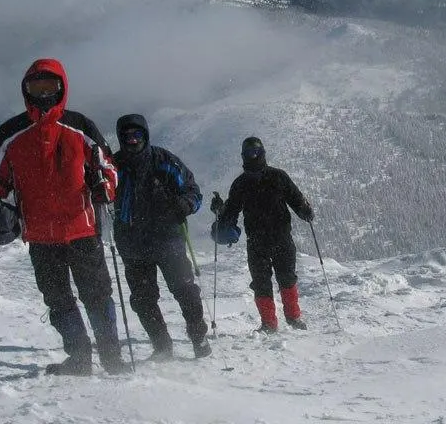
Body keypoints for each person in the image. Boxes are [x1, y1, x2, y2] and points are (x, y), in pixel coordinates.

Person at [0, 58, 129, 376]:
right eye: (36, 87)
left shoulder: (80, 126)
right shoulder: (11, 133)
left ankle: (112, 358)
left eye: (50, 87)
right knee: (58, 300)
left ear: (62, 88)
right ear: (25, 91)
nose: (43, 94)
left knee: (96, 295)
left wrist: (106, 187)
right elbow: (0, 180)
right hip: (40, 235)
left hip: (82, 229)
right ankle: (80, 358)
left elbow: (107, 165)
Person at [110, 113, 211, 360]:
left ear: (145, 135)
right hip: (132, 244)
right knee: (143, 300)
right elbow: (98, 193)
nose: (132, 141)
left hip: (168, 238)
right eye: (127, 136)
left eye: (137, 135)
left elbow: (193, 190)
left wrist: (185, 204)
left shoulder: (163, 161)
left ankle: (198, 337)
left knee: (185, 290)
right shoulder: (113, 166)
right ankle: (162, 346)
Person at [213, 136, 314, 332]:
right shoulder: (241, 184)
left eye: (256, 152)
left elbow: (295, 198)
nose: (253, 156)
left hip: (280, 237)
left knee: (287, 279)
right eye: (249, 153)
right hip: (257, 241)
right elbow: (231, 212)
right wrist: (220, 211)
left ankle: (293, 318)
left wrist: (305, 210)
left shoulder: (278, 177)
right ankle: (269, 323)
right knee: (261, 284)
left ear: (263, 153)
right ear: (243, 156)